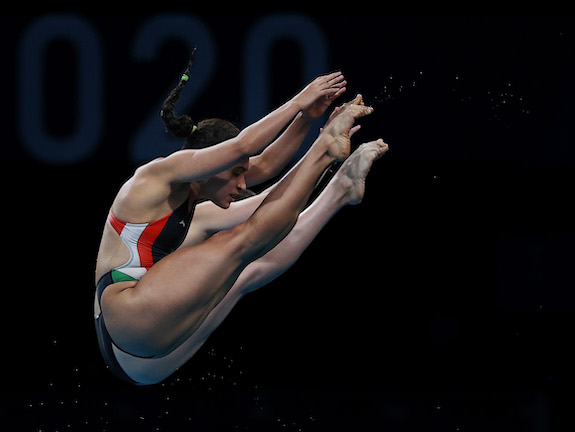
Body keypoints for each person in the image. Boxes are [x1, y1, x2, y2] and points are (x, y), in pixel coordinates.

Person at [94, 51, 388, 385]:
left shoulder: (196, 196)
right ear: (211, 166)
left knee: (245, 263)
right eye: (235, 174)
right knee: (239, 241)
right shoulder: (156, 176)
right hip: (129, 317)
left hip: (145, 343)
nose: (243, 184)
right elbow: (243, 147)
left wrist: (307, 118)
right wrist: (298, 102)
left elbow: (264, 166)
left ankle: (333, 170)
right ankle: (327, 157)